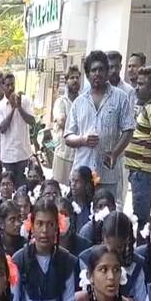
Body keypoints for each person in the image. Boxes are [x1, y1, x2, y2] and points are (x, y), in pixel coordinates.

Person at [64, 50, 134, 202]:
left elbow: (128, 129)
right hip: (82, 174)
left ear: (107, 72)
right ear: (88, 75)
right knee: (80, 216)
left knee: (106, 219)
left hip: (107, 174)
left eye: (101, 69)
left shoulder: (120, 98)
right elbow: (68, 136)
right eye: (93, 70)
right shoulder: (79, 102)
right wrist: (83, 140)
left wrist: (115, 153)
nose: (97, 73)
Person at [124, 66, 151, 234]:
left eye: (141, 84)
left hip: (143, 171)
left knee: (140, 219)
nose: (137, 87)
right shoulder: (147, 105)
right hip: (138, 170)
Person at [80, 211, 147, 301]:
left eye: (119, 248)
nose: (113, 254)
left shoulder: (137, 265)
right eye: (109, 247)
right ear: (103, 238)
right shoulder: (86, 259)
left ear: (126, 241)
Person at [51, 65, 81, 185]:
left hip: (78, 156)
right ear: (67, 80)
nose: (75, 80)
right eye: (72, 78)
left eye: (77, 78)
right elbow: (62, 122)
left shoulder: (84, 102)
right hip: (62, 154)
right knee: (59, 190)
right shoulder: (61, 102)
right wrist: (80, 127)